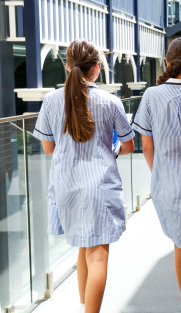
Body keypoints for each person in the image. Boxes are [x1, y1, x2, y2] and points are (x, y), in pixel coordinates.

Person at [33, 39, 135, 313]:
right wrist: (110, 150)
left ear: (68, 67)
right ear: (97, 69)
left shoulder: (51, 101)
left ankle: (84, 307)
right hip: (100, 187)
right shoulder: (110, 101)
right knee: (98, 256)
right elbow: (128, 145)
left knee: (82, 250)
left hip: (67, 186)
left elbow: (47, 147)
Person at [132, 37, 181, 312]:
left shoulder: (152, 95)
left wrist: (158, 173)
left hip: (166, 186)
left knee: (178, 244)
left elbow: (146, 145)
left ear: (167, 63)